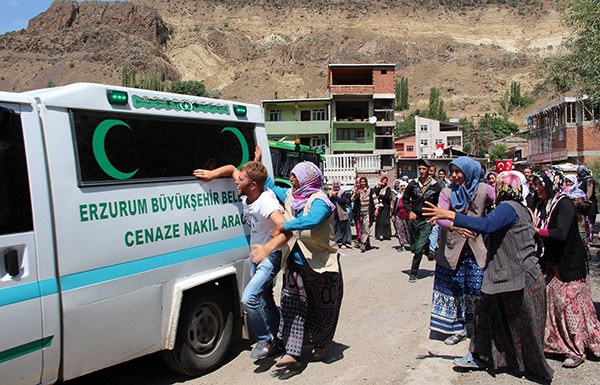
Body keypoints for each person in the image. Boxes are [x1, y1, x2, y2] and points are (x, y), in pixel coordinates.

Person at [423, 171, 554, 382]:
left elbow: (486, 225)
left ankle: (532, 368)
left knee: (526, 325)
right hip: (507, 277)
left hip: (520, 278)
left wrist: (451, 215)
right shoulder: (518, 208)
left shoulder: (508, 209)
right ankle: (482, 356)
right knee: (485, 316)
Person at [251, 160, 343, 368]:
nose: (291, 179)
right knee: (292, 304)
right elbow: (271, 186)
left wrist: (286, 225)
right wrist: (258, 162)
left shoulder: (320, 200)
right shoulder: (292, 196)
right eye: (291, 175)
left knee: (322, 308)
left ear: (307, 179)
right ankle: (293, 352)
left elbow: (314, 219)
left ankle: (320, 344)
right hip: (295, 263)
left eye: (295, 176)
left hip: (321, 265)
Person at [193, 156, 285, 360]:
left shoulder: (266, 203)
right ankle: (281, 336)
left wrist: (267, 249)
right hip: (256, 257)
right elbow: (231, 168)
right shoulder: (248, 188)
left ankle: (264, 340)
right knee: (265, 297)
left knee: (249, 298)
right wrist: (212, 174)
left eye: (240, 179)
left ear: (252, 185)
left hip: (269, 258)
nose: (236, 181)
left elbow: (285, 228)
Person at [532, 170, 600, 368]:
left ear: (551, 184)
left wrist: (536, 231)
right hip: (553, 264)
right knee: (555, 305)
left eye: (540, 184)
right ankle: (558, 344)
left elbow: (560, 233)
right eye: (535, 185)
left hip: (570, 265)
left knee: (571, 307)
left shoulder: (564, 204)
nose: (537, 189)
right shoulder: (544, 204)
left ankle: (577, 348)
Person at [430, 157, 495, 346]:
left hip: (477, 249)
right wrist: (455, 227)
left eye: (459, 171)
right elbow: (439, 216)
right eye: (453, 171)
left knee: (476, 289)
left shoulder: (485, 190)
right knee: (453, 290)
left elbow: (501, 203)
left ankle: (477, 327)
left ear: (470, 172)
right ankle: (456, 329)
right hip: (451, 249)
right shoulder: (447, 192)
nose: (454, 175)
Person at [402, 158, 442, 282]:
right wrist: (410, 211)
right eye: (420, 169)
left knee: (417, 250)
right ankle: (427, 248)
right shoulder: (413, 184)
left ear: (429, 170)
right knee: (414, 247)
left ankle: (413, 272)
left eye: (424, 169)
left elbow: (439, 203)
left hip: (427, 220)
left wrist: (436, 217)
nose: (422, 171)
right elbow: (405, 199)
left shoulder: (436, 186)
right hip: (415, 220)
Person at [351, 176, 377, 252]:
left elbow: (375, 200)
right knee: (362, 229)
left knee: (366, 227)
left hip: (368, 212)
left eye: (364, 181)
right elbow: (352, 199)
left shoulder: (370, 190)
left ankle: (363, 244)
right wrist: (355, 194)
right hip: (360, 213)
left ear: (366, 182)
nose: (362, 183)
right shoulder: (358, 191)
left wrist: (377, 209)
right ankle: (367, 243)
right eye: (361, 182)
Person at [576, 165, 598, 244]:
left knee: (589, 223)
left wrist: (584, 199)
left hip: (589, 205)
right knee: (583, 223)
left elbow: (589, 192)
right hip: (582, 206)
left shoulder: (589, 180)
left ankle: (589, 240)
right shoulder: (580, 180)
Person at [328, 179, 352, 249]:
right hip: (333, 214)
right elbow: (328, 201)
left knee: (343, 228)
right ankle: (335, 242)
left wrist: (336, 197)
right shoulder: (329, 192)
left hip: (341, 213)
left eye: (337, 184)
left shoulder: (342, 192)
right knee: (334, 229)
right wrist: (332, 197)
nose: (335, 185)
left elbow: (343, 201)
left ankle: (344, 242)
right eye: (334, 184)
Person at [393, 180, 411, 251]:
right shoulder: (398, 196)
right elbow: (395, 206)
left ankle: (411, 244)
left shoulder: (410, 196)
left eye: (404, 186)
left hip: (408, 216)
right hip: (399, 215)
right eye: (401, 186)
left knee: (409, 230)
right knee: (400, 230)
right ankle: (402, 245)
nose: (403, 187)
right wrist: (393, 215)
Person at [374, 175, 392, 241]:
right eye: (383, 181)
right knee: (378, 220)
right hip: (378, 206)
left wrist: (380, 196)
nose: (384, 182)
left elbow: (387, 196)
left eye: (386, 181)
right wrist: (379, 187)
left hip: (385, 206)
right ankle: (379, 234)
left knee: (384, 220)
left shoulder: (388, 188)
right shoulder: (378, 188)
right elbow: (375, 194)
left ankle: (386, 234)